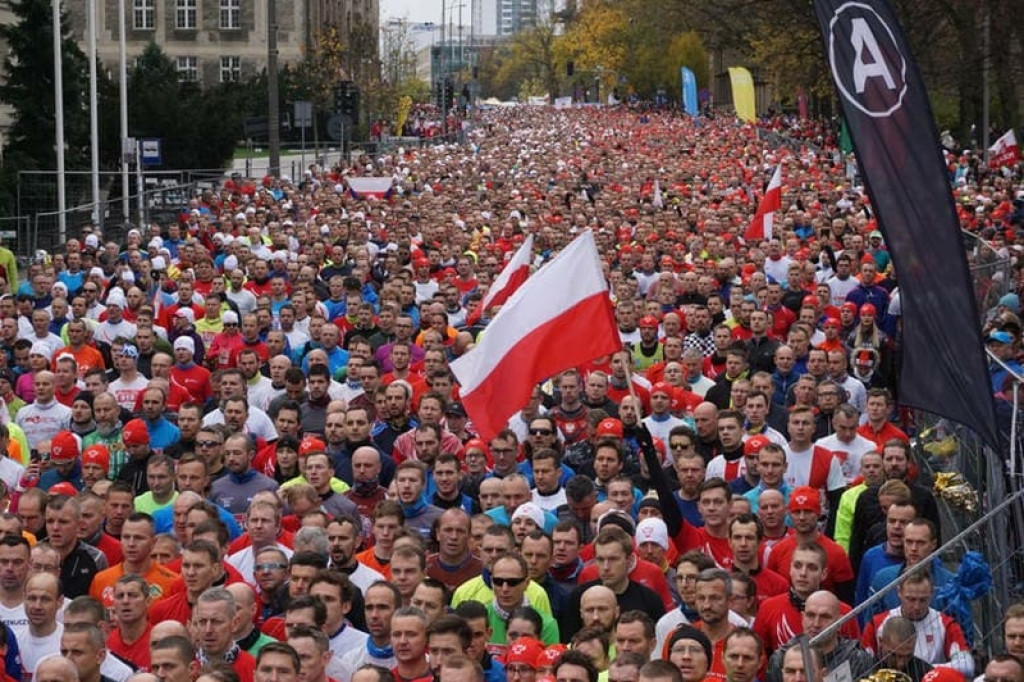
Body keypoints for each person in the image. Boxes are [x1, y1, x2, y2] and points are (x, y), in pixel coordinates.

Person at [562, 527, 665, 643]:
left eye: (613, 559)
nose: (606, 567)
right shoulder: (579, 596)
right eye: (600, 560)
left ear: (630, 560)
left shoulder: (649, 600)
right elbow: (567, 644)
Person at [862, 573, 973, 677]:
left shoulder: (946, 624)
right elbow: (862, 664)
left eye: (923, 600)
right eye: (911, 599)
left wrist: (921, 670)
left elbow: (967, 665)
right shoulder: (877, 623)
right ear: (899, 592)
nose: (916, 606)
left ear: (932, 594)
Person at [764, 591, 874, 682]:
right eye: (810, 615)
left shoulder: (857, 659)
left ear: (840, 622)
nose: (816, 624)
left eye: (825, 617)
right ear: (802, 618)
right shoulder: (782, 657)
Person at [192, 587, 257, 682]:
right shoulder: (185, 668)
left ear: (235, 623)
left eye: (216, 621)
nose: (208, 630)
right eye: (202, 621)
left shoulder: (253, 670)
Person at [337, 581, 400, 678]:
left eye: (382, 607)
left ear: (398, 611)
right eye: (369, 608)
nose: (374, 615)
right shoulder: (350, 660)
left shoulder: (417, 659)